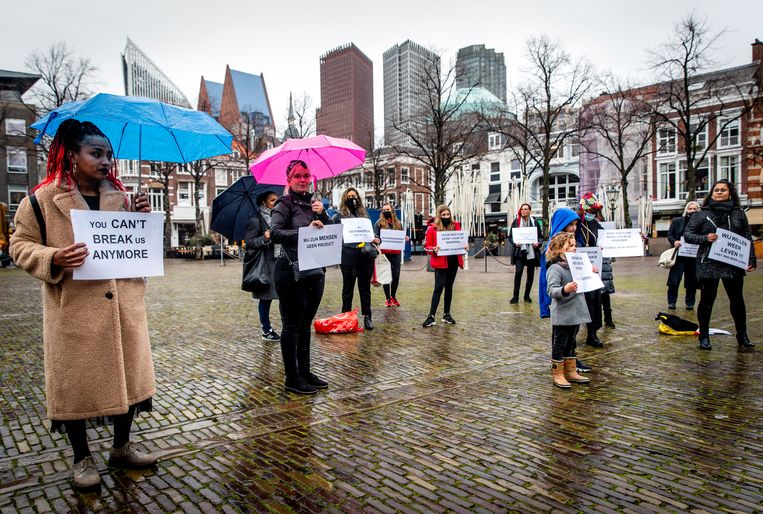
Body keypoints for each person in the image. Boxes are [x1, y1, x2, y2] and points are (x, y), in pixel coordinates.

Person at [9, 119, 157, 489]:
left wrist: (141, 219)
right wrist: (54, 257)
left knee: (129, 379)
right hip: (75, 312)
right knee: (76, 385)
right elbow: (19, 245)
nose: (106, 161)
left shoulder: (122, 199)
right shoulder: (39, 201)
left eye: (109, 154)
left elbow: (137, 249)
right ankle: (81, 457)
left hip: (124, 307)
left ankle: (121, 446)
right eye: (96, 153)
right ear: (71, 155)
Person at [270, 159, 332, 394]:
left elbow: (332, 231)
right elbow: (275, 233)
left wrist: (323, 215)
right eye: (298, 176)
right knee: (292, 325)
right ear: (289, 179)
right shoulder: (283, 204)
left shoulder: (314, 204)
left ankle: (305, 372)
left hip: (314, 270)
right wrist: (304, 232)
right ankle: (292, 377)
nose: (303, 180)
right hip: (290, 271)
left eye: (307, 176)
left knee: (305, 324)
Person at [684, 179, 756, 351]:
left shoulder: (738, 213)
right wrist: (705, 238)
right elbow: (688, 234)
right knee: (707, 300)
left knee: (737, 300)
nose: (719, 192)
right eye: (716, 190)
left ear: (730, 193)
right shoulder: (701, 214)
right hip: (709, 263)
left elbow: (746, 236)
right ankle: (704, 336)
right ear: (711, 194)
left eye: (723, 190)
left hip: (733, 263)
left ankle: (742, 335)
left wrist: (751, 258)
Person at [539, 207, 592, 374]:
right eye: (571, 224)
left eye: (576, 224)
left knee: (571, 333)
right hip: (561, 298)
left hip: (573, 298)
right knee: (560, 336)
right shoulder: (555, 248)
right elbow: (550, 280)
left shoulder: (574, 242)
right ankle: (559, 364)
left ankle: (570, 361)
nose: (574, 228)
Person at [545, 232, 592, 388]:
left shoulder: (577, 266)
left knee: (571, 342)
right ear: (559, 249)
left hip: (576, 312)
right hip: (563, 313)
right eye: (570, 246)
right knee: (559, 343)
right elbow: (551, 290)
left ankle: (571, 371)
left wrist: (591, 274)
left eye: (574, 246)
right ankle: (558, 373)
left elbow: (585, 282)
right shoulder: (555, 268)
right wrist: (565, 289)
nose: (574, 248)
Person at [332, 188, 379, 330]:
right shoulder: (338, 216)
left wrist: (376, 239)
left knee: (365, 288)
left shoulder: (365, 215)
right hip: (348, 255)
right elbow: (333, 233)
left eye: (355, 196)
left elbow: (371, 234)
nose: (353, 199)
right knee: (348, 288)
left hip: (365, 256)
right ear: (344, 198)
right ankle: (345, 317)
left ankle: (367, 316)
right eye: (349, 196)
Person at [422, 205, 468, 327]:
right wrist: (434, 249)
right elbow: (427, 246)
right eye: (443, 215)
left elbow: (460, 241)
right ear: (439, 215)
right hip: (441, 262)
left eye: (448, 215)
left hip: (453, 261)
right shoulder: (433, 229)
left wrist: (464, 246)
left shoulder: (456, 226)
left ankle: (446, 314)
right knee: (438, 288)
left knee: (449, 288)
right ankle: (431, 316)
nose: (446, 217)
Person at [244, 191, 281, 341]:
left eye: (276, 200)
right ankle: (266, 330)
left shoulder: (279, 218)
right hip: (266, 265)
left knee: (284, 297)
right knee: (266, 299)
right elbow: (250, 242)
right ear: (264, 202)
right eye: (272, 200)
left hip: (281, 262)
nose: (275, 203)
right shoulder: (256, 220)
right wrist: (264, 238)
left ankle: (288, 326)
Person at [575, 193, 605, 348]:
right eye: (589, 212)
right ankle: (573, 333)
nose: (591, 215)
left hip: (593, 268)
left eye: (593, 213)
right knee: (578, 301)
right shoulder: (575, 223)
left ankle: (592, 333)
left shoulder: (595, 223)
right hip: (578, 268)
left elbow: (605, 237)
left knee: (594, 301)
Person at [666, 201, 700, 310]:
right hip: (679, 256)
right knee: (674, 281)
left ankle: (690, 303)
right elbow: (670, 234)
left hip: (693, 256)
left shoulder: (701, 224)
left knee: (692, 282)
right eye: (690, 209)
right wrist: (674, 242)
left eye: (695, 209)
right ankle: (672, 302)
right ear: (686, 210)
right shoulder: (678, 221)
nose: (692, 211)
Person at [508, 203, 542, 304]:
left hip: (531, 251)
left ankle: (527, 296)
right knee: (518, 273)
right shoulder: (516, 222)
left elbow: (540, 236)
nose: (524, 211)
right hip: (520, 252)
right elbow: (511, 237)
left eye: (526, 209)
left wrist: (538, 243)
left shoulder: (535, 222)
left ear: (529, 211)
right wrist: (515, 243)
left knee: (530, 275)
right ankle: (515, 296)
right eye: (522, 209)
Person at [373, 203, 406, 307]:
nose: (386, 211)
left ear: (392, 210)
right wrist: (376, 239)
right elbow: (376, 236)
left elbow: (401, 235)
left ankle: (393, 296)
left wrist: (405, 238)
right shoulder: (378, 223)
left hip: (396, 253)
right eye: (384, 210)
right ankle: (388, 299)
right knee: (386, 275)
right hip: (384, 253)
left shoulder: (398, 223)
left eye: (388, 209)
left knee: (396, 276)